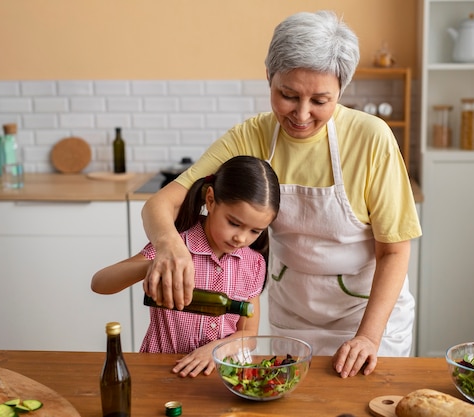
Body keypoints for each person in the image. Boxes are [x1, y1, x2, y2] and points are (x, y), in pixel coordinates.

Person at [141, 10, 422, 379]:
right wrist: (169, 245)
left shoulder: (371, 139)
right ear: (269, 78)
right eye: (287, 95)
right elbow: (161, 202)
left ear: (341, 90)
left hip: (366, 317)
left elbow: (395, 250)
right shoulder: (253, 135)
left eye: (321, 101)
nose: (301, 114)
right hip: (293, 316)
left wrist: (368, 337)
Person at [91, 155, 280, 377]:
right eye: (234, 223)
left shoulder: (253, 264)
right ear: (210, 200)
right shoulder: (174, 248)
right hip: (161, 369)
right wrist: (153, 266)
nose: (241, 238)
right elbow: (100, 283)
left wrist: (215, 351)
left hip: (219, 372)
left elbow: (248, 334)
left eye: (254, 231)